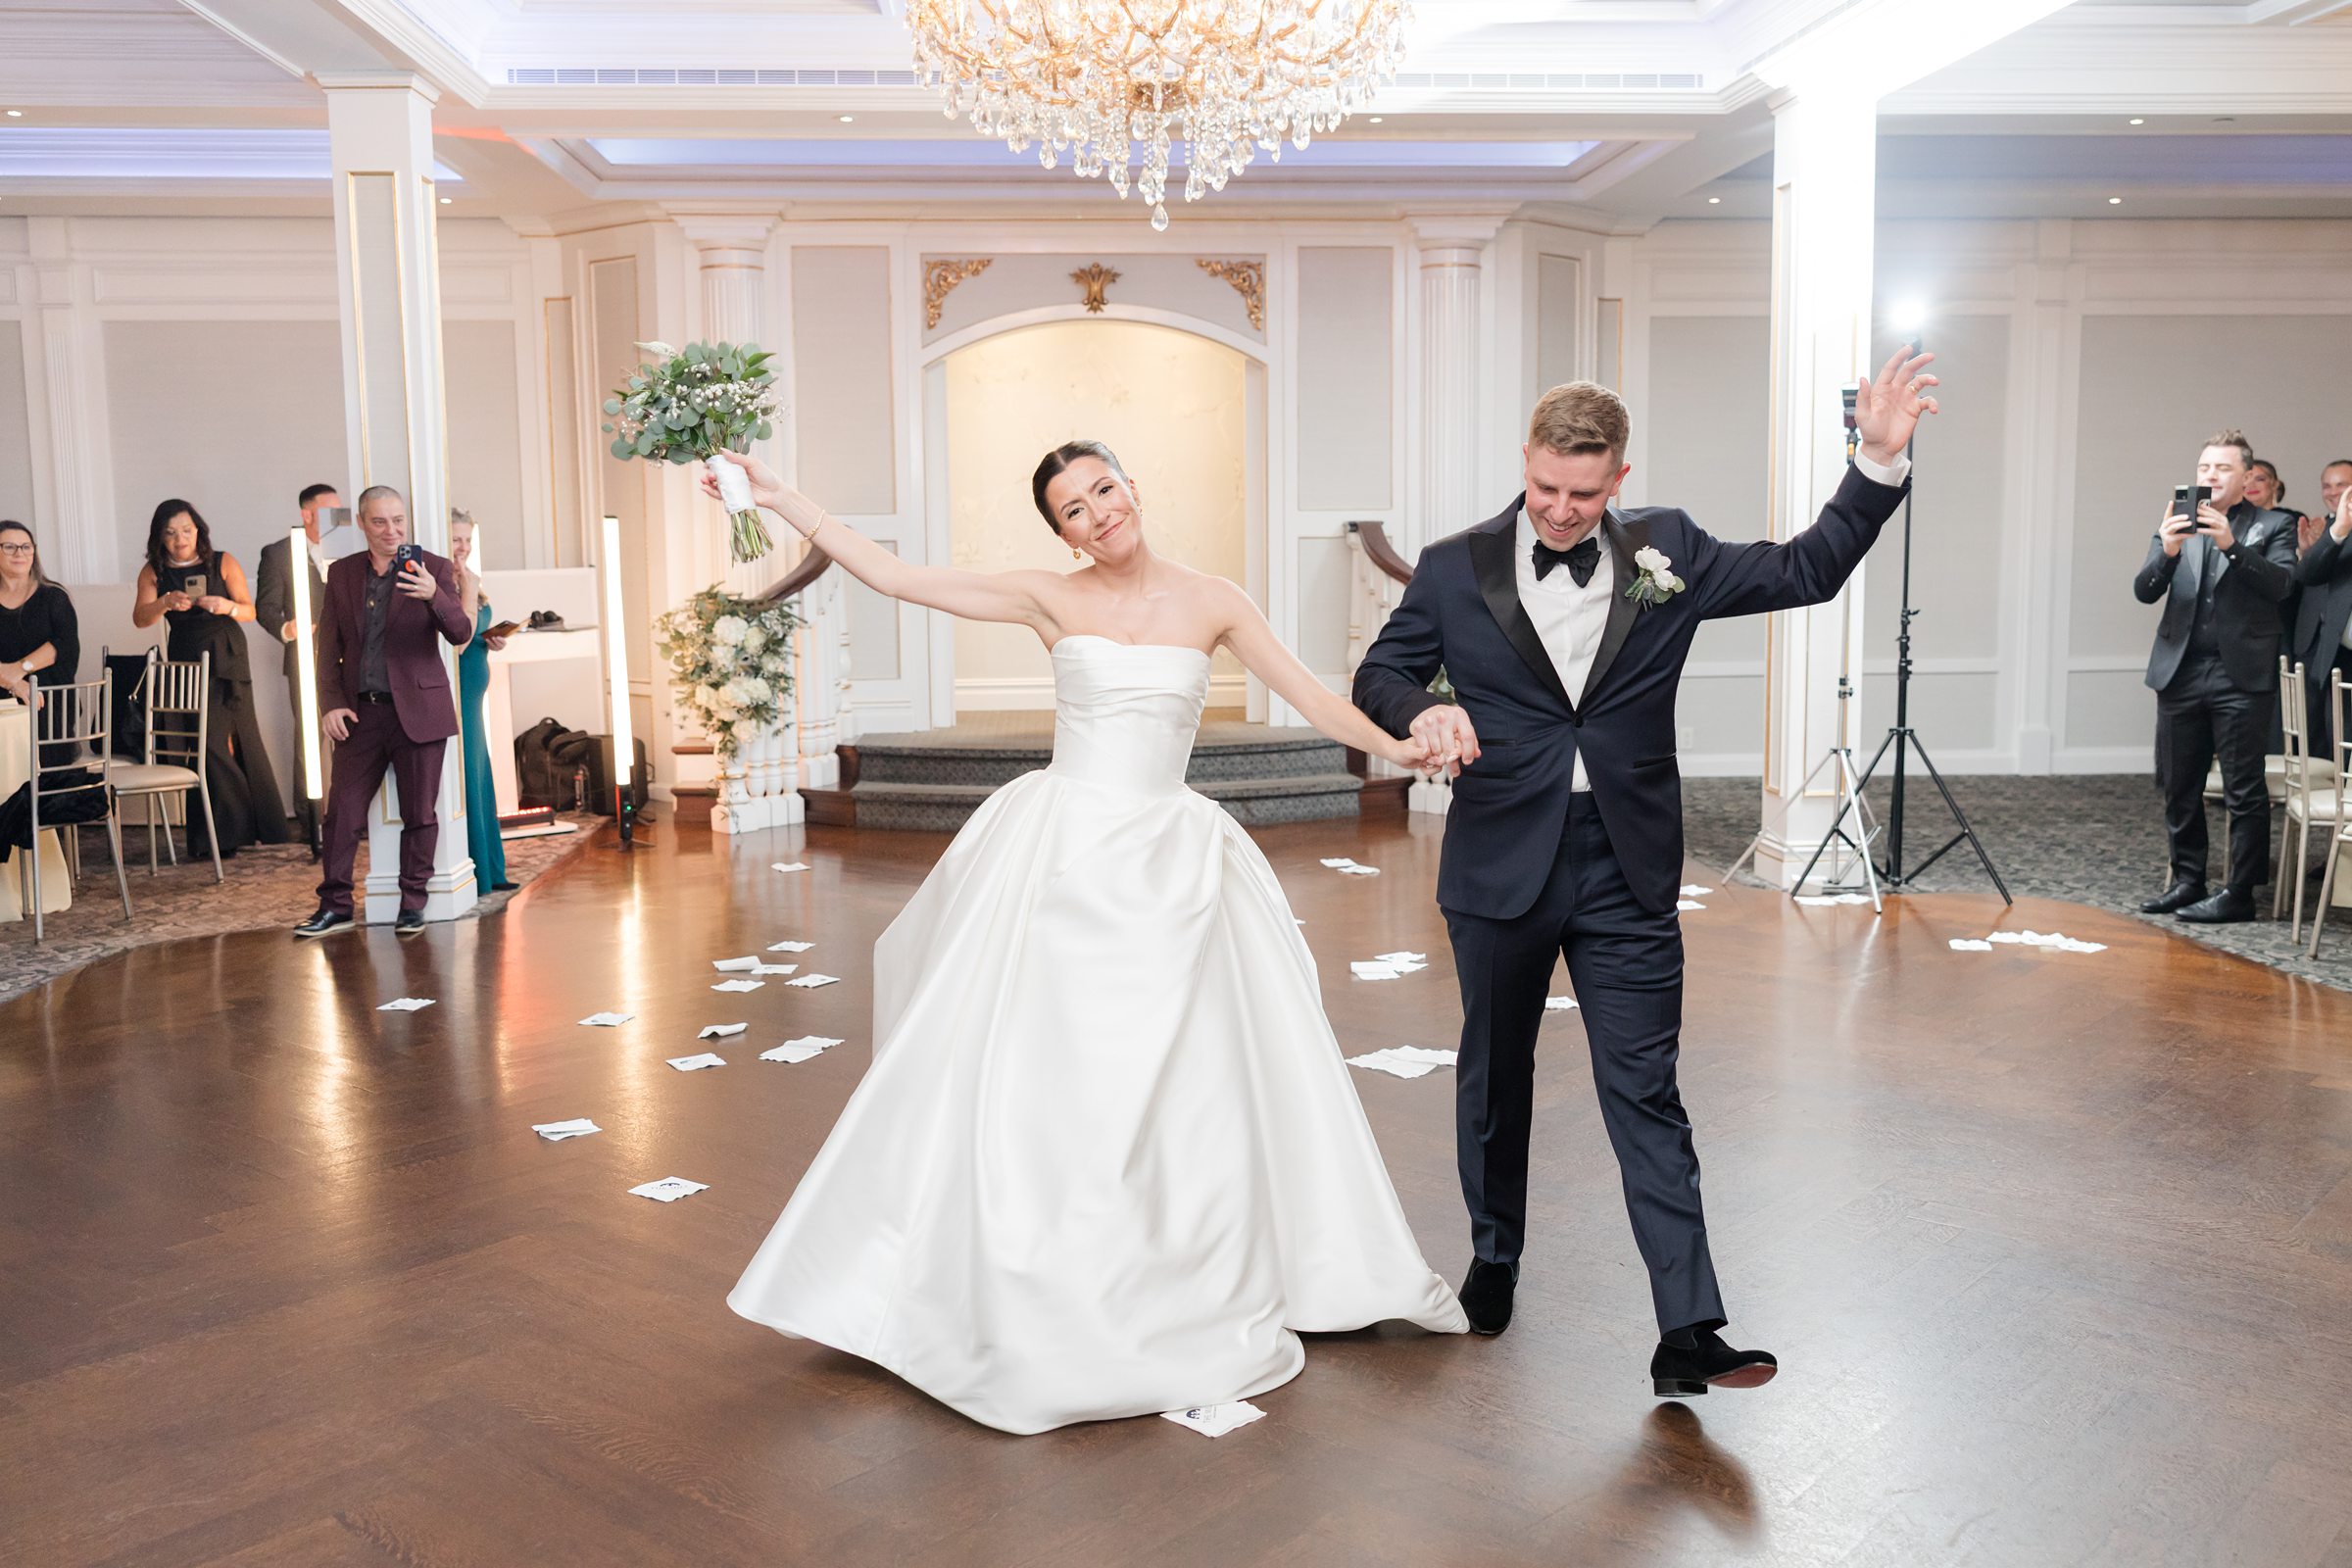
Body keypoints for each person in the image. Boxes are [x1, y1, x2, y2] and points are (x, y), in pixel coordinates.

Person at [713, 441, 1467, 1435]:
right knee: (1050, 1075)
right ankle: (1040, 1275)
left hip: (1172, 863)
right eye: (1073, 509)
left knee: (1185, 1084)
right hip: (1062, 856)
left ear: (1134, 485)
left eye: (1104, 489)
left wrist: (1405, 744)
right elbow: (897, 575)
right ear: (1061, 532)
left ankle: (1175, 1264)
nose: (1098, 515)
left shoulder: (1216, 600)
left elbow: (1316, 698)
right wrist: (786, 500)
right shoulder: (1046, 597)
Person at [1352, 350, 1938, 1398]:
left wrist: (1878, 461)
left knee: (1647, 1090)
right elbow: (1381, 671)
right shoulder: (1452, 565)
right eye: (1544, 490)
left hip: (1625, 865)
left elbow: (1807, 569)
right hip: (1499, 865)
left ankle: (1688, 1325)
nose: (1562, 511)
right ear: (1523, 467)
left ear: (1619, 478)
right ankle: (1495, 1254)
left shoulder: (1670, 548)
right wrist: (1421, 709)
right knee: (1497, 1075)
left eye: (1584, 493)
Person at [2132, 429, 2299, 924]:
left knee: (2243, 791)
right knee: (2180, 785)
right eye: (2204, 468)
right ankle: (2188, 881)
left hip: (2240, 676)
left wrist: (2230, 545)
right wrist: (2165, 552)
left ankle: (2239, 893)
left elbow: (2283, 586)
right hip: (2180, 671)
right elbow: (2144, 591)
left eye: (2222, 469)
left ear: (2247, 477)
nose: (2210, 476)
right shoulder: (2175, 524)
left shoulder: (2275, 526)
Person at [293, 486, 471, 938]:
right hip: (360, 716)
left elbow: (459, 633)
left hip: (420, 711)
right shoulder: (344, 574)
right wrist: (330, 703)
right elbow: (327, 646)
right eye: (380, 522)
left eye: (398, 521)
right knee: (342, 816)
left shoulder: (433, 567)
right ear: (361, 523)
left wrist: (435, 595)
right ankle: (334, 905)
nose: (391, 531)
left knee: (421, 814)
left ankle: (413, 904)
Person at [131, 500, 293, 859]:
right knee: (201, 743)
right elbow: (141, 618)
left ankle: (237, 831)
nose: (180, 539)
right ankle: (217, 835)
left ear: (199, 530)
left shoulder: (223, 560)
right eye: (171, 533)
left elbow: (249, 611)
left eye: (186, 530)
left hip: (227, 654)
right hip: (185, 661)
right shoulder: (153, 571)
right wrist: (165, 603)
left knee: (232, 740)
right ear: (160, 537)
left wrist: (226, 607)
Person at [254, 483, 340, 837]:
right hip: (307, 659)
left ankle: (354, 814)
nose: (338, 519)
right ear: (307, 515)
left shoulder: (350, 551)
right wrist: (288, 628)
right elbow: (266, 608)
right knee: (310, 738)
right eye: (329, 511)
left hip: (349, 658)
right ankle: (312, 823)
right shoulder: (278, 554)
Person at [448, 509, 514, 892]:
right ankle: (476, 874)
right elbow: (455, 639)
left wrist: (494, 639)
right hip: (455, 691)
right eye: (457, 539)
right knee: (467, 778)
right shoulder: (446, 583)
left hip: (474, 689)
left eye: (468, 540)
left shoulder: (471, 580)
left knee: (480, 774)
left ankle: (491, 868)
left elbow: (473, 634)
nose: (464, 547)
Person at [2291, 464, 2352, 758]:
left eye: (2341, 485)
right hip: (2323, 641)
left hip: (2344, 641)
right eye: (2327, 486)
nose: (2333, 492)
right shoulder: (2324, 530)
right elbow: (2305, 575)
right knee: (2321, 728)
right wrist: (2311, 548)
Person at [0, 520, 77, 705]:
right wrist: (13, 683)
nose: (20, 553)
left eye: (26, 547)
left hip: (48, 705)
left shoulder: (54, 596)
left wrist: (19, 669)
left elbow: (66, 644)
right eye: (9, 547)